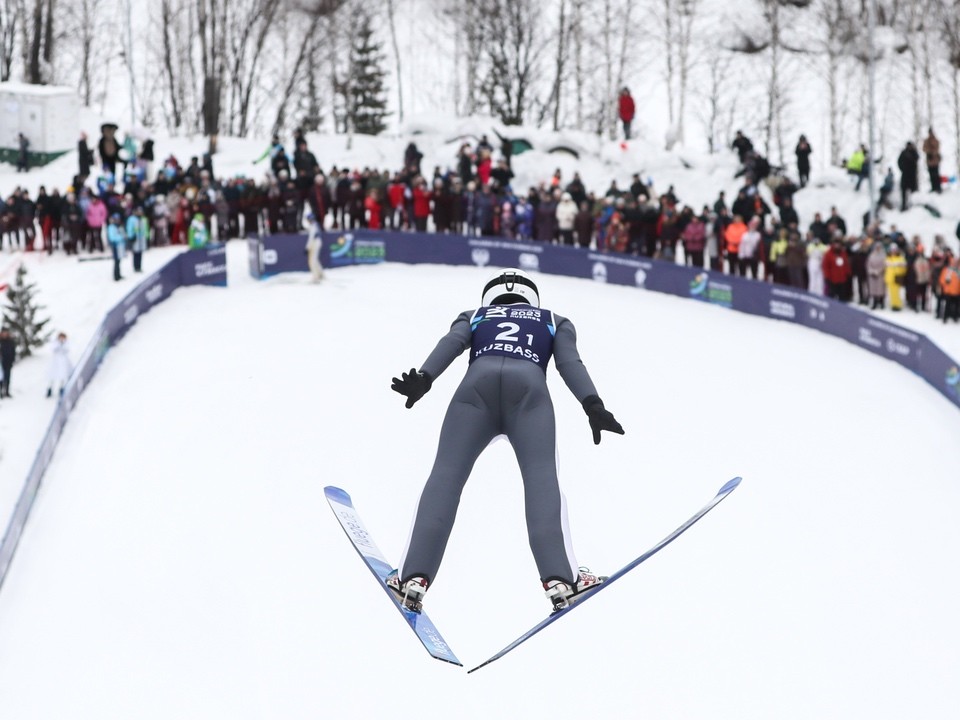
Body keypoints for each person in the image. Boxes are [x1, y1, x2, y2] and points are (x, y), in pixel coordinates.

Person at [387, 268, 624, 613]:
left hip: (474, 392)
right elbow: (569, 362)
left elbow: (450, 344)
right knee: (541, 477)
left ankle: (412, 578)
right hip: (529, 393)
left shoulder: (475, 315)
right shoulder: (554, 320)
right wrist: (593, 404)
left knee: (446, 476)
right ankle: (562, 579)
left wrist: (425, 377)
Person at [46, 332, 72, 398]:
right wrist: (59, 345)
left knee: (62, 375)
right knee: (52, 376)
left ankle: (61, 388)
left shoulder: (66, 343)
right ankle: (50, 389)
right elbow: (53, 349)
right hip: (55, 362)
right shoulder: (55, 343)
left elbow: (67, 349)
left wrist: (62, 345)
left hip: (63, 362)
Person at [884, 243, 907, 311]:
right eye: (892, 250)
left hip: (897, 278)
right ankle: (893, 304)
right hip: (889, 278)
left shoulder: (900, 258)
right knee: (891, 293)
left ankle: (898, 305)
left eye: (894, 250)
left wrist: (899, 267)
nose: (893, 251)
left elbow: (903, 269)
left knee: (897, 293)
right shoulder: (888, 258)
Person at [305, 212, 324, 282]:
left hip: (315, 243)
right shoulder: (315, 224)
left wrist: (307, 248)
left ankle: (316, 277)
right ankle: (320, 274)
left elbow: (311, 237)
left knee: (312, 261)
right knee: (315, 260)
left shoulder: (313, 226)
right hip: (317, 242)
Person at [106, 214, 126, 281]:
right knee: (116, 261)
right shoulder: (111, 227)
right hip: (115, 246)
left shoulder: (119, 227)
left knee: (119, 261)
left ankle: (118, 274)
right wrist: (121, 238)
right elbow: (112, 238)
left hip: (120, 246)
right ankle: (116, 276)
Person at [922, 128, 941, 193]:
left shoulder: (935, 140)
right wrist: (929, 152)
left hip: (935, 161)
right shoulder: (926, 141)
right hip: (929, 161)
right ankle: (933, 188)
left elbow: (937, 148)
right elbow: (924, 148)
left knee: (936, 174)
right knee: (931, 175)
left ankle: (938, 188)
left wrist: (932, 152)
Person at [0, 327, 15, 398]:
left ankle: (7, 391)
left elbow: (13, 352)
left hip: (8, 362)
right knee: (1, 378)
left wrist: (12, 360)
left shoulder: (10, 341)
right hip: (1, 362)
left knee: (7, 378)